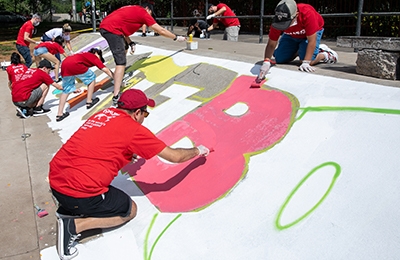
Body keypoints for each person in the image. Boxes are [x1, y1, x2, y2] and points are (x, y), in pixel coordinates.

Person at [49, 89, 210, 259]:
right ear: (137, 113)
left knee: (91, 189)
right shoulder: (133, 130)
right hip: (78, 192)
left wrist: (125, 153)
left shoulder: (104, 114)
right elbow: (175, 156)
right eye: (145, 114)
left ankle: (69, 210)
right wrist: (198, 150)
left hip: (56, 182)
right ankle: (75, 225)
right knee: (129, 210)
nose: (144, 119)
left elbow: (102, 143)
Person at [99, 3, 186, 106]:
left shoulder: (132, 9)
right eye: (151, 14)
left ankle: (119, 75)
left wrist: (130, 42)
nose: (150, 17)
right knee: (121, 62)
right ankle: (116, 95)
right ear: (147, 8)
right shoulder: (143, 13)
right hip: (112, 30)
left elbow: (122, 26)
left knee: (125, 48)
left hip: (107, 27)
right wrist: (176, 37)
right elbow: (160, 30)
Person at [259, 0, 338, 78]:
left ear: (296, 15)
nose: (284, 26)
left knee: (308, 60)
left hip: (310, 35)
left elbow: (311, 40)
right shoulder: (277, 20)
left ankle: (326, 54)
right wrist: (266, 61)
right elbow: (271, 43)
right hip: (291, 35)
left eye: (287, 22)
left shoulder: (307, 13)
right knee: (279, 58)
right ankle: (299, 49)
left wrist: (306, 62)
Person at [56, 48, 114, 122]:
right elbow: (105, 69)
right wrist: (116, 78)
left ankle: (59, 114)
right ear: (96, 53)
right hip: (75, 64)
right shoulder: (93, 56)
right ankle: (89, 102)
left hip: (65, 64)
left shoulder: (83, 55)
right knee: (91, 79)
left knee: (66, 89)